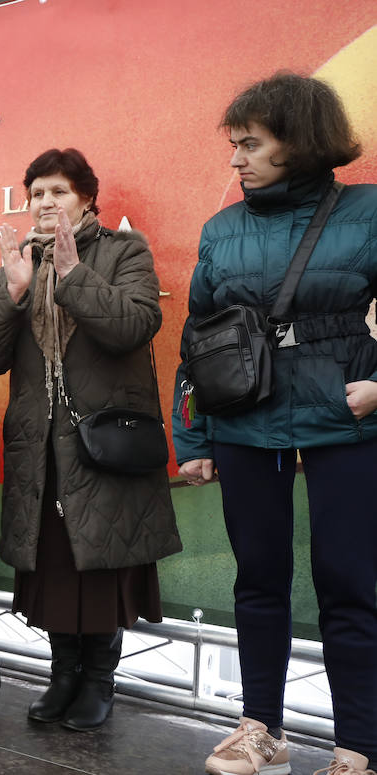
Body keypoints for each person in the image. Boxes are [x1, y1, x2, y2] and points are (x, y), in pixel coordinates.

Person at [173, 73, 377, 775]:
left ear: (302, 140)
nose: (236, 159)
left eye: (251, 144)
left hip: (343, 420)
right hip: (242, 420)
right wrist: (193, 437)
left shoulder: (369, 210)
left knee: (349, 581)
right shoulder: (221, 228)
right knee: (257, 578)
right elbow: (197, 341)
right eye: (235, 145)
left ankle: (359, 746)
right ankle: (261, 730)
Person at [0, 148, 181, 732]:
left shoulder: (123, 250)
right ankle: (62, 676)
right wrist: (12, 295)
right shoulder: (20, 264)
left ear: (87, 198)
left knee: (99, 564)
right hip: (41, 445)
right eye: (36, 193)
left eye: (58, 192)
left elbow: (135, 325)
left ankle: (98, 680)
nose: (45, 202)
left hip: (103, 442)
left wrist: (73, 274)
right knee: (55, 563)